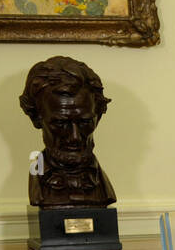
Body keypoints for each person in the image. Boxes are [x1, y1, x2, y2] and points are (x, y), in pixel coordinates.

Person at [19, 56, 117, 208]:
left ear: (98, 117)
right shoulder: (36, 178)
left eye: (85, 122)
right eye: (60, 123)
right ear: (37, 118)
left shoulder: (103, 187)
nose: (75, 137)